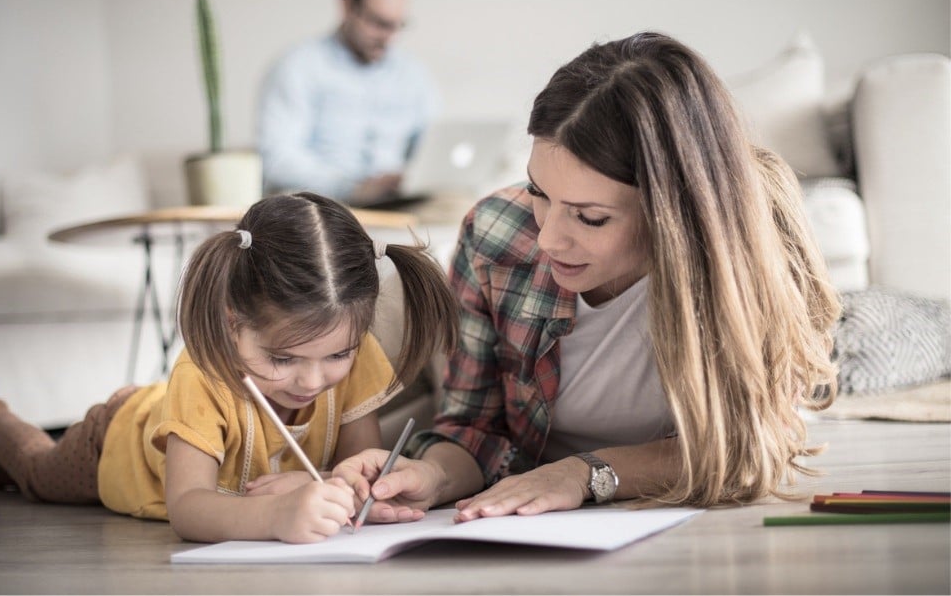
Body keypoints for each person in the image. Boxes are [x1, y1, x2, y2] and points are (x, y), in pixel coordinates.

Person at [334, 31, 840, 523]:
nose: (549, 238)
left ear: (671, 211)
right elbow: (475, 429)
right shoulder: (495, 234)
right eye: (538, 192)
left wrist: (585, 475)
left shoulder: (752, 249)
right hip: (538, 517)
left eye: (590, 217)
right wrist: (430, 476)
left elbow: (750, 449)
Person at [0, 192, 458, 544]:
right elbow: (188, 507)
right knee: (37, 475)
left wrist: (351, 484)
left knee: (1, 483)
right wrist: (277, 515)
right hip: (113, 446)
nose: (313, 381)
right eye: (282, 358)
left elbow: (350, 464)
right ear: (233, 324)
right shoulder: (203, 374)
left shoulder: (355, 359)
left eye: (336, 356)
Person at [257, 0, 438, 206]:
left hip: (397, 208)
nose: (389, 37)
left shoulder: (413, 73)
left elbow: (430, 144)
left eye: (397, 25)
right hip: (323, 211)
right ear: (347, 5)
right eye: (379, 23)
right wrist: (352, 188)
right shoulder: (298, 66)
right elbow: (277, 158)